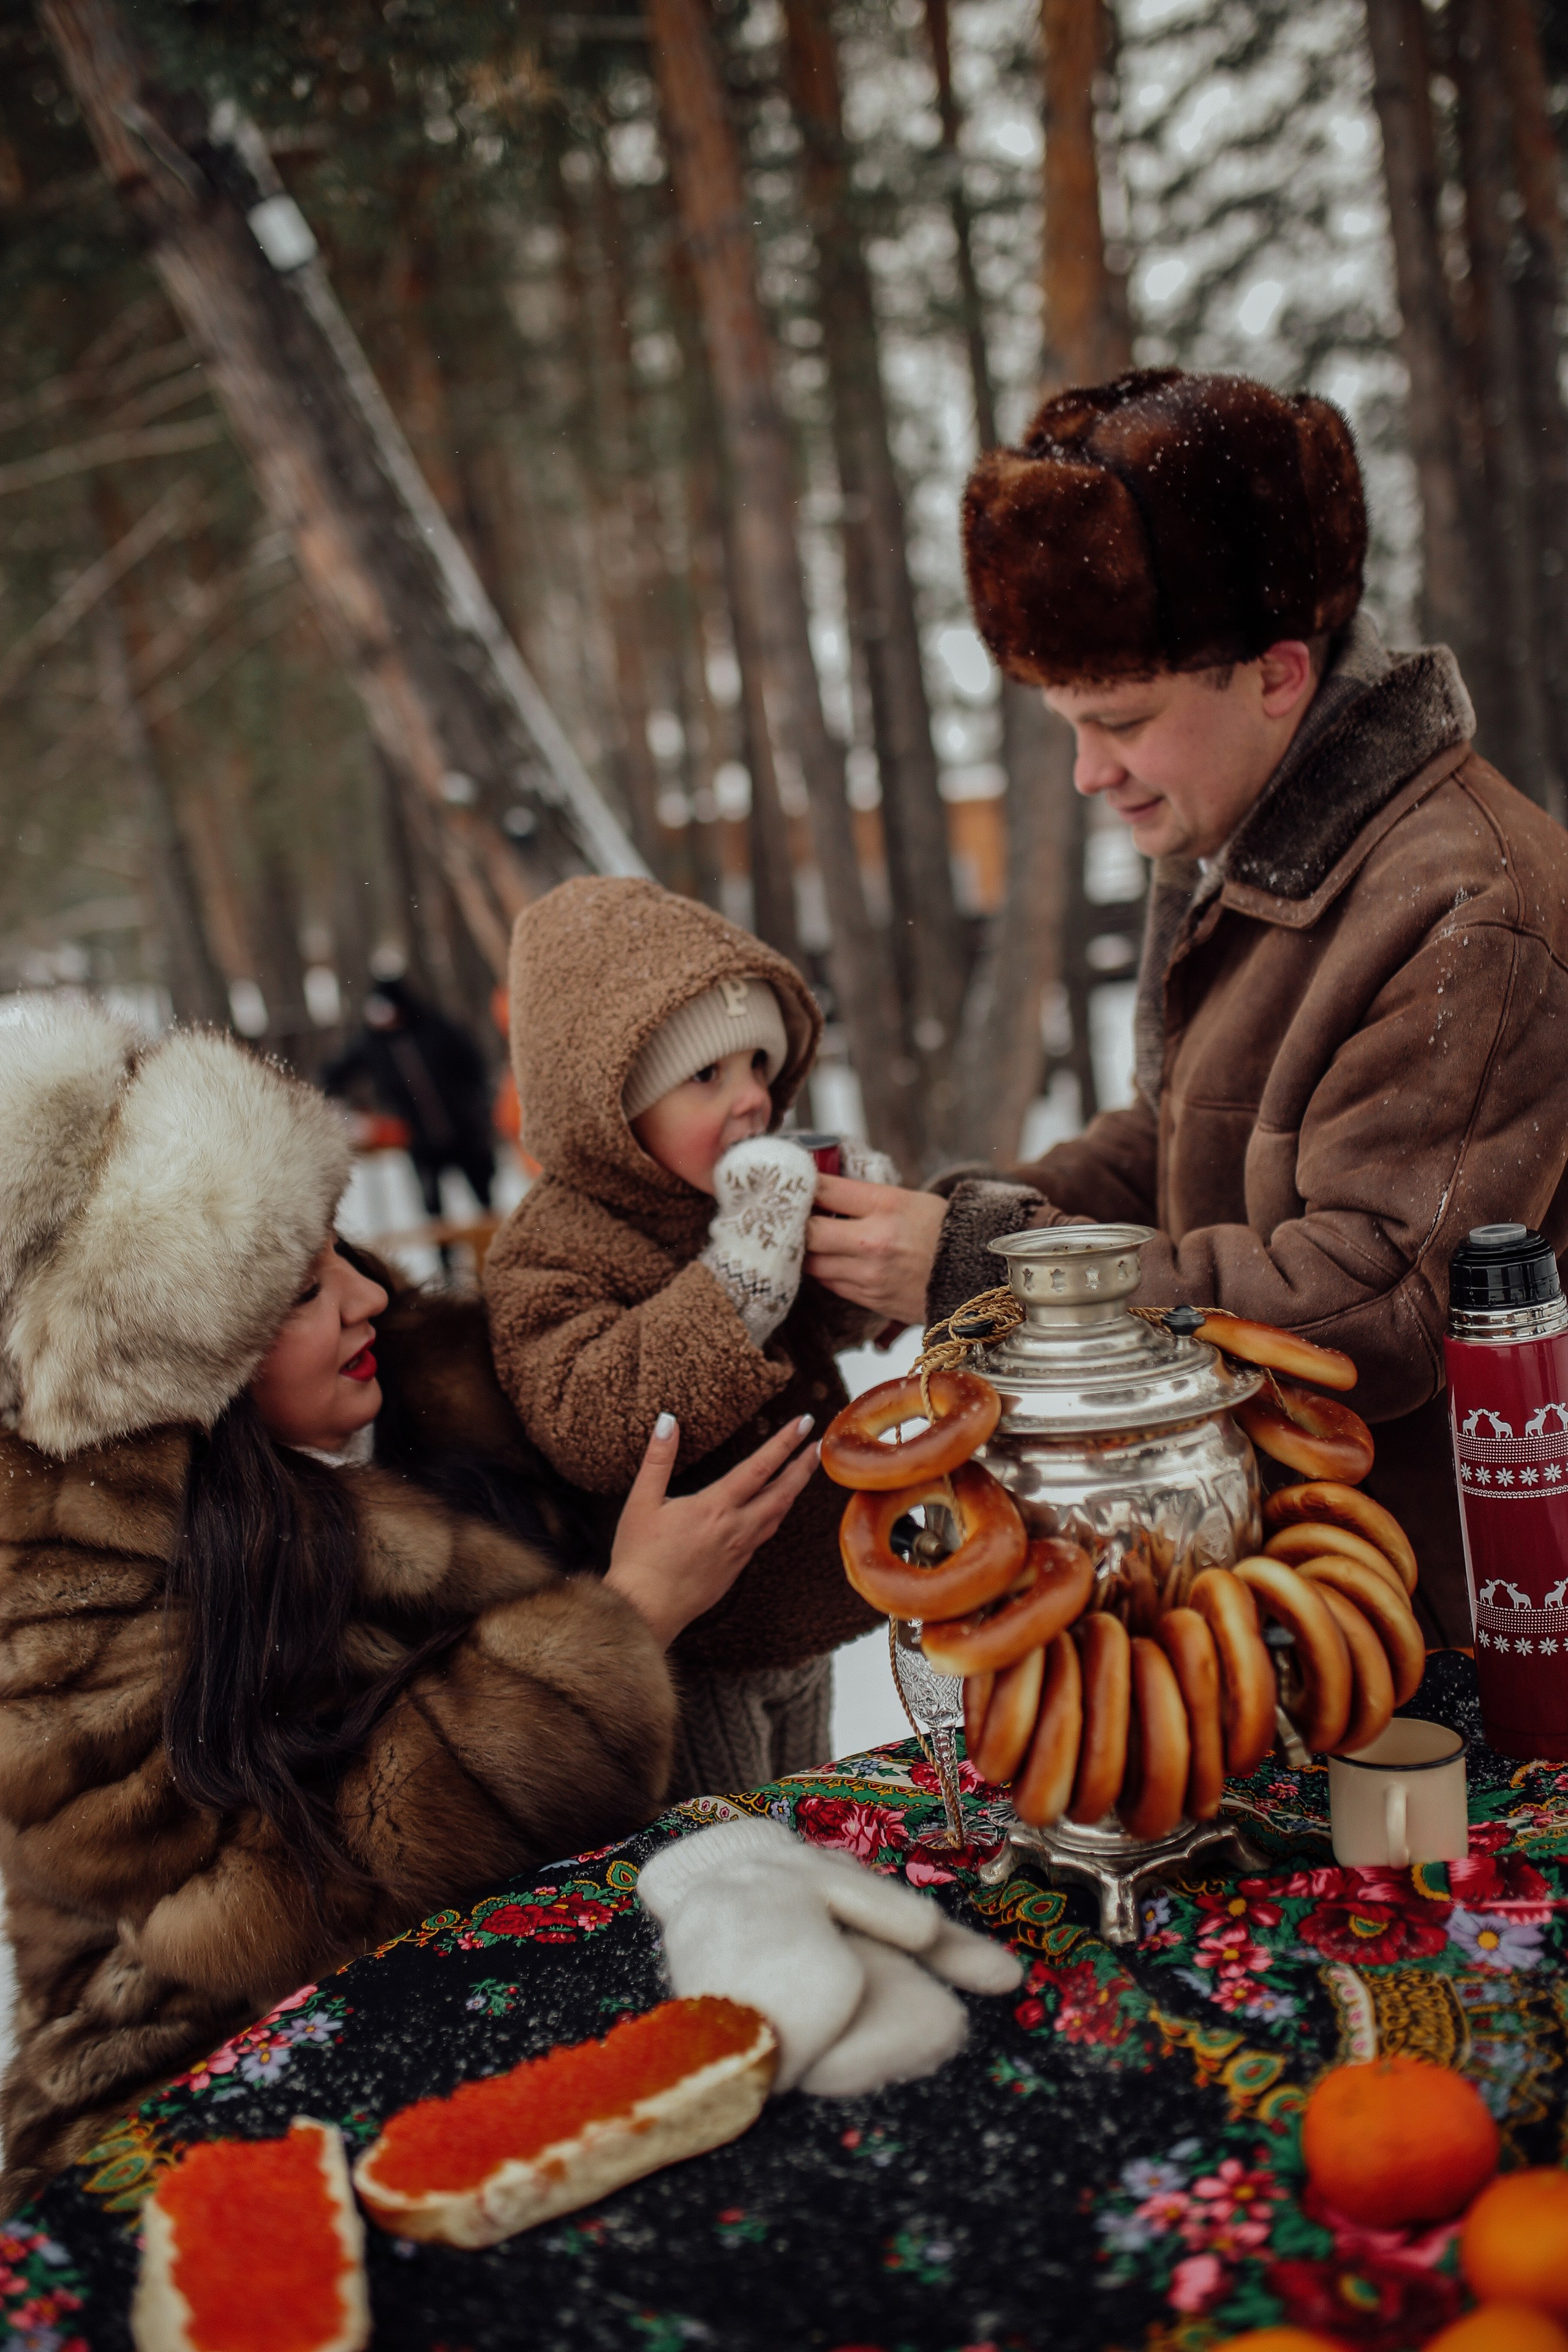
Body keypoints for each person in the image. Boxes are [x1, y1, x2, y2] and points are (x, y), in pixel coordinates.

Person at [0, 998, 816, 2214]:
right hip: (202, 2086)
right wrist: (622, 1624)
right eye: (296, 1291)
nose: (366, 1298)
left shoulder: (419, 1384)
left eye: (338, 1248)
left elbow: (616, 1375)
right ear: (179, 1360)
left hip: (496, 1988)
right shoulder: (57, 1593)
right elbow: (288, 1893)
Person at [801, 365, 1568, 1649]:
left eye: (1122, 721)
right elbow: (1175, 1146)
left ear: (1277, 673)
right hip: (1288, 1595)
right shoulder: (1234, 836)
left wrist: (986, 1267)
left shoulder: (1467, 905)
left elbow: (1376, 1306)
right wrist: (951, 1229)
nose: (1087, 772)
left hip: (1456, 1633)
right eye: (1066, 724)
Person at [483, 876, 894, 1800]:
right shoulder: (551, 1249)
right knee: (737, 1838)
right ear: (608, 1103)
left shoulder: (736, 1196)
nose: (752, 1100)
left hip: (797, 1608)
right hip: (693, 1645)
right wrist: (737, 1282)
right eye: (706, 1076)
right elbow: (593, 1419)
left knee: (816, 1816)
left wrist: (854, 1241)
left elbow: (821, 1331)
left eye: (759, 1066)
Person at [323, 972, 497, 1219]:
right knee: (432, 1207)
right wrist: (333, 1097)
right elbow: (337, 1071)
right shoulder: (373, 1043)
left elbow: (472, 1062)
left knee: (484, 1196)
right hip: (419, 1137)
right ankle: (442, 1244)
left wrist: (477, 1102)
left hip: (462, 1128)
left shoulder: (435, 1027)